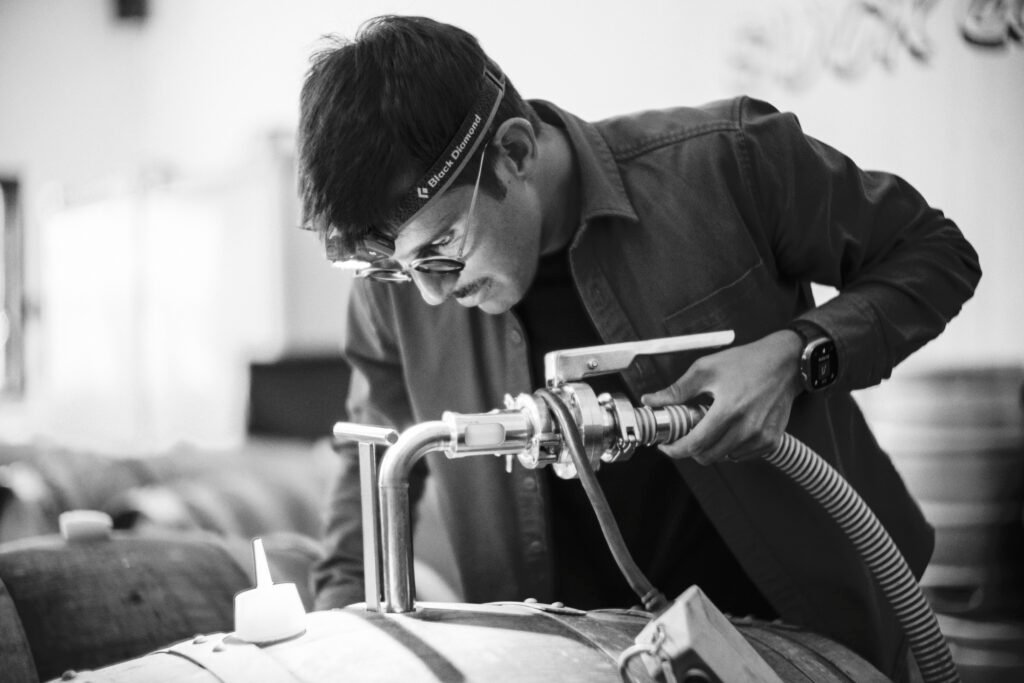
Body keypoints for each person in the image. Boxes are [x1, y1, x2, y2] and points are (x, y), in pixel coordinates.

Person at [296, 15, 980, 681]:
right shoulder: (395, 293)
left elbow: (934, 253)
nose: (430, 296)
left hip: (817, 640)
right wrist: (329, 650)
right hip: (571, 660)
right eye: (399, 267)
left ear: (515, 152)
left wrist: (796, 356)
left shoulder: (726, 162)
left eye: (443, 246)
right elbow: (367, 479)